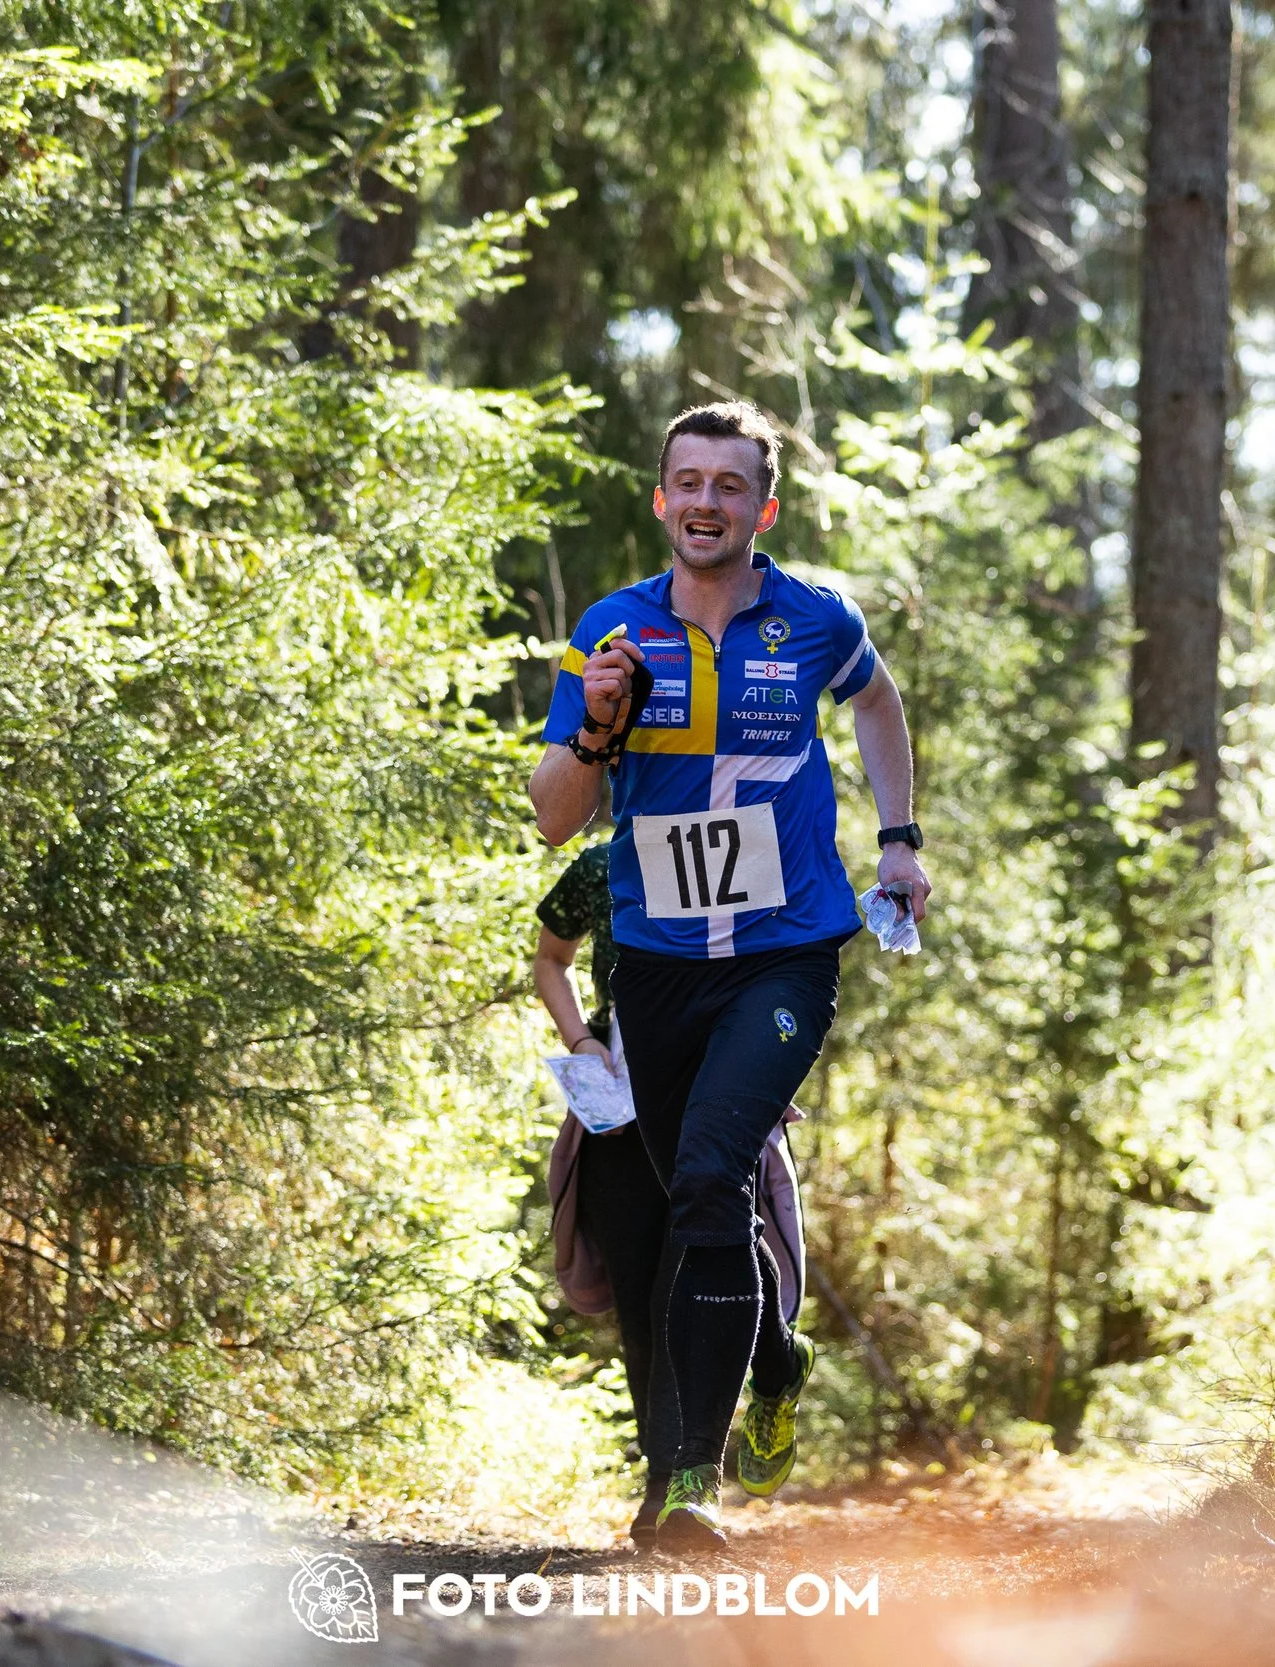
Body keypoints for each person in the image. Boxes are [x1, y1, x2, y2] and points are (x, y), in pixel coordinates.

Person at [528, 400, 931, 1548]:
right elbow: (557, 821)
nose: (706, 501)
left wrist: (897, 838)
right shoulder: (613, 630)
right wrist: (596, 725)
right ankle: (776, 1357)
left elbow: (877, 701)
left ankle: (689, 1482)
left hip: (785, 950)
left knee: (710, 1175)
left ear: (765, 503)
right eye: (686, 481)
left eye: (729, 483)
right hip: (655, 964)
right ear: (660, 500)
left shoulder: (813, 618)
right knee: (687, 1202)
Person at [533, 842, 806, 1547]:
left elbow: (780, 967)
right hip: (617, 1107)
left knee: (696, 1270)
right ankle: (665, 1485)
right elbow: (550, 957)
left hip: (714, 1088)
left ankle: (684, 1477)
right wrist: (579, 1040)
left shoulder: (736, 847)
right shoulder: (600, 866)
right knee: (640, 1295)